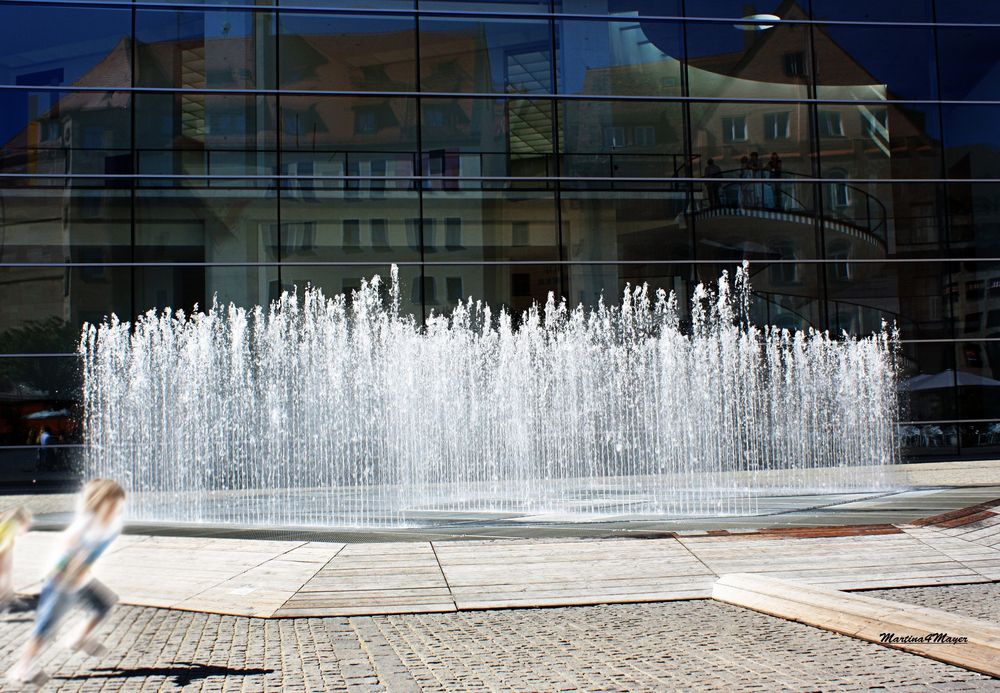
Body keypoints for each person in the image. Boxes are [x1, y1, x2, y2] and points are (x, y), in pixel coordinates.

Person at [7, 480, 125, 688]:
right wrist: (74, 562)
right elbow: (68, 544)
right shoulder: (87, 522)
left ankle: (78, 638)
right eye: (114, 504)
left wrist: (82, 568)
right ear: (101, 502)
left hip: (80, 579)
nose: (117, 509)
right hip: (59, 579)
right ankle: (22, 668)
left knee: (104, 604)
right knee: (47, 627)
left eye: (119, 505)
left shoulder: (110, 525)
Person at [0, 507, 32, 610]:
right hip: (3, 554)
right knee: (5, 578)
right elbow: (4, 544)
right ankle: (6, 601)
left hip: (4, 553)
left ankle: (10, 598)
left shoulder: (7, 521)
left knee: (6, 578)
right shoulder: (12, 525)